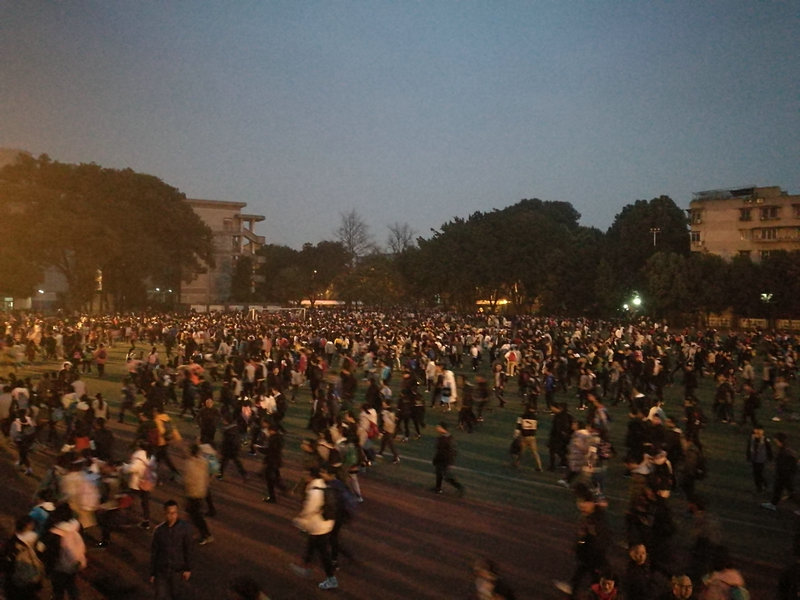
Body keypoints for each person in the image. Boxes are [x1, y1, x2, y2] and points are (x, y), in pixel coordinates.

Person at [553, 483, 611, 598]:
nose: (581, 505)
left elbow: (599, 539)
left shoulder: (595, 519)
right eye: (579, 502)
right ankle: (574, 588)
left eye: (585, 502)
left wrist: (582, 543)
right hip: (589, 554)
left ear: (592, 503)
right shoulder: (590, 516)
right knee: (583, 570)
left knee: (594, 575)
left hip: (593, 554)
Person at [290, 466, 338, 591]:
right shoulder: (322, 485)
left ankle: (331, 578)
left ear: (311, 476)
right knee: (312, 546)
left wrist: (300, 520)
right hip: (324, 523)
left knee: (323, 552)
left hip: (319, 525)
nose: (304, 476)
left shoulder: (314, 490)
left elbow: (310, 509)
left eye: (305, 474)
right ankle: (305, 567)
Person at [41, 502, 87, 600]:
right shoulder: (77, 526)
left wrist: (48, 568)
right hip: (75, 562)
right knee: (71, 584)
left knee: (58, 588)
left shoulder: (55, 533)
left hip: (59, 566)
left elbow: (51, 553)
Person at [150, 499, 193, 600]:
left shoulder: (184, 529)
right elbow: (154, 552)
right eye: (169, 513)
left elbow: (188, 549)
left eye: (174, 513)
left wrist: (188, 568)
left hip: (177, 569)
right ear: (165, 513)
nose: (172, 516)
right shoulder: (159, 530)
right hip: (161, 570)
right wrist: (153, 572)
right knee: (160, 596)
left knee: (176, 594)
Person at [1, 515, 45, 600]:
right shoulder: (34, 539)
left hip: (13, 579)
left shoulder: (11, 542)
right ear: (28, 526)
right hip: (27, 578)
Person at [183, 444, 213, 545]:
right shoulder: (203, 461)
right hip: (201, 491)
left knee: (196, 516)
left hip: (193, 493)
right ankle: (196, 532)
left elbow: (188, 480)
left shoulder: (190, 464)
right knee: (193, 513)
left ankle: (206, 535)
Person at [762, 432, 798, 511]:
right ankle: (773, 504)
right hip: (783, 474)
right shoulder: (785, 449)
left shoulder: (785, 451)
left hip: (785, 475)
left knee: (791, 492)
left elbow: (787, 464)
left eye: (776, 441)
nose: (776, 443)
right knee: (778, 489)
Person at [431, 421, 464, 496]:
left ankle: (459, 487)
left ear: (443, 428)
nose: (437, 428)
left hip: (445, 459)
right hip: (441, 458)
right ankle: (438, 488)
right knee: (439, 473)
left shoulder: (447, 438)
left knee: (446, 475)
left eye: (438, 427)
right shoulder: (443, 437)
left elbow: (450, 450)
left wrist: (448, 459)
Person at [513, 403, 542, 470]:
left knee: (521, 451)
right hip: (532, 436)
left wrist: (516, 436)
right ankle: (539, 466)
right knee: (535, 452)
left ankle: (517, 463)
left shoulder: (521, 416)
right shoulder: (535, 417)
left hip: (524, 436)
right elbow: (537, 426)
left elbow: (518, 427)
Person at [746, 425, 772, 494]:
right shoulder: (751, 438)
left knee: (759, 473)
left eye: (760, 430)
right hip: (754, 459)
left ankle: (763, 484)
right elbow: (749, 447)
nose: (758, 432)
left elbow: (769, 449)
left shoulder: (765, 439)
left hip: (761, 459)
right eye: (756, 430)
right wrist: (748, 456)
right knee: (755, 474)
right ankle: (759, 487)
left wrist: (770, 457)